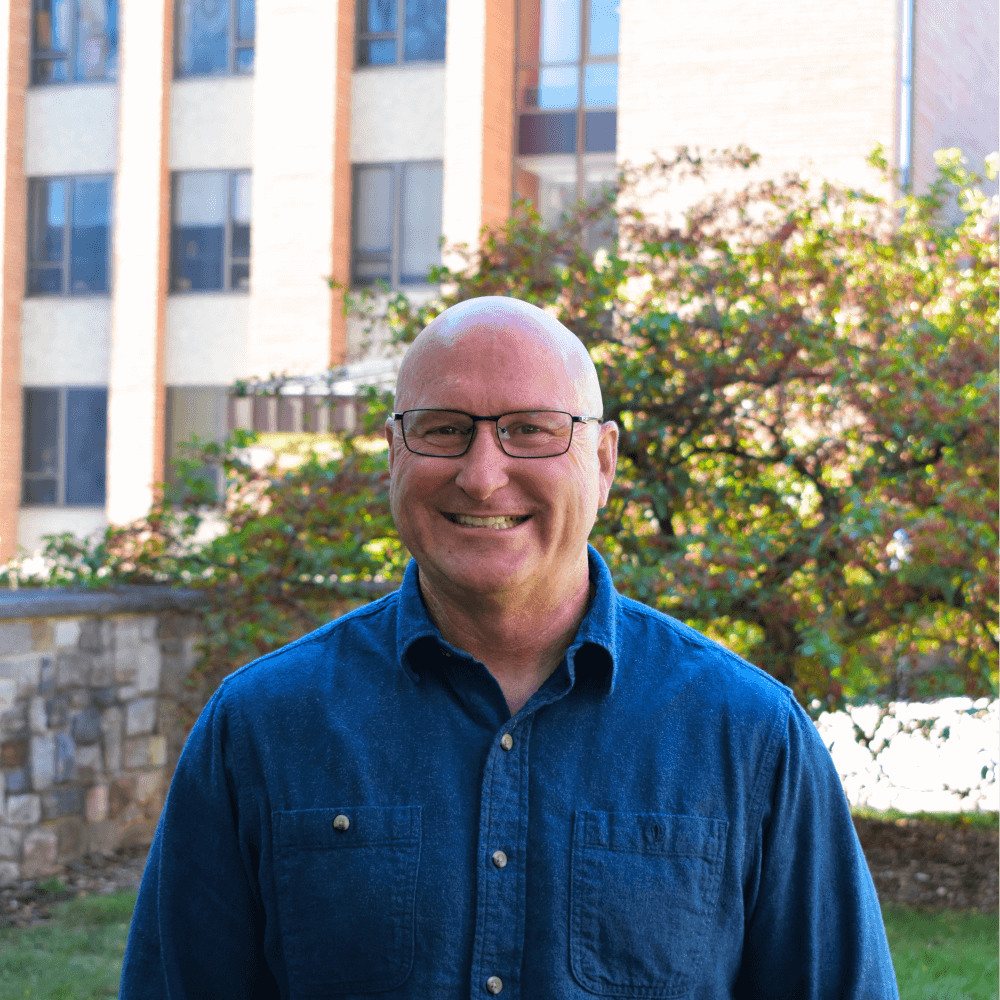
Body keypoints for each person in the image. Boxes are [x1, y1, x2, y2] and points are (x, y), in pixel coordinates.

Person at [120, 296, 898, 998]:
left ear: (602, 462)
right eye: (444, 430)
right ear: (395, 454)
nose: (482, 475)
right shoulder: (260, 730)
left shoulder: (752, 737)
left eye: (530, 429)